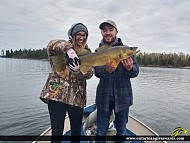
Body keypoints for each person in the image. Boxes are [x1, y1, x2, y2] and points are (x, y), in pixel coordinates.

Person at [40, 23, 93, 143]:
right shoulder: (60, 48)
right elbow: (51, 45)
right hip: (57, 96)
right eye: (78, 34)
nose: (81, 37)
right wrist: (69, 49)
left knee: (76, 134)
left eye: (84, 35)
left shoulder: (88, 53)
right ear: (72, 35)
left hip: (77, 99)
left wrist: (78, 70)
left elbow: (90, 74)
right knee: (57, 134)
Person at [94, 20, 139, 142]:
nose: (107, 32)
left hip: (123, 98)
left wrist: (129, 69)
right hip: (104, 97)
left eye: (110, 29)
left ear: (116, 32)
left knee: (122, 131)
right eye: (104, 30)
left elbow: (135, 72)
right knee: (100, 131)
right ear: (102, 33)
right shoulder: (98, 51)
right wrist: (107, 70)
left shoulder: (126, 51)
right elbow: (97, 72)